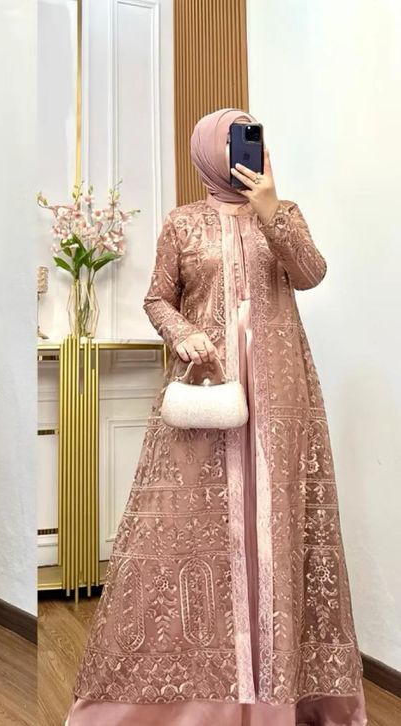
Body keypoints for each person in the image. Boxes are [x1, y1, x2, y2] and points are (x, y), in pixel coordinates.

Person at [65, 108, 367, 725]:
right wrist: (182, 334)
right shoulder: (182, 222)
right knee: (193, 529)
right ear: (207, 150)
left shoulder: (282, 212)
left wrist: (271, 208)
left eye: (250, 139)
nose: (242, 150)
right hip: (209, 389)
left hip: (279, 396)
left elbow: (311, 274)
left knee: (275, 526)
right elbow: (157, 298)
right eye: (231, 140)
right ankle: (192, 702)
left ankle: (281, 697)